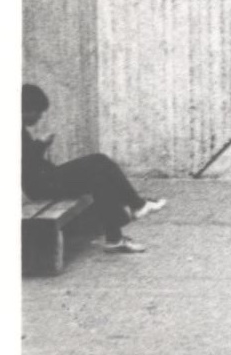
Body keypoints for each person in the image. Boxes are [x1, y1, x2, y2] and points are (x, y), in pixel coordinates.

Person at [21, 84, 166, 255]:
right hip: (40, 186)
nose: (40, 117)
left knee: (100, 178)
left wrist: (40, 145)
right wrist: (40, 144)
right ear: (25, 109)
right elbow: (24, 163)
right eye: (37, 112)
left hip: (45, 179)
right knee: (99, 161)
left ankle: (115, 238)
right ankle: (137, 205)